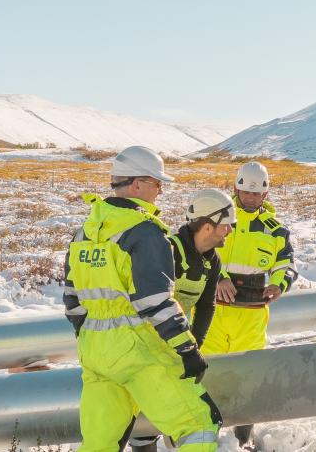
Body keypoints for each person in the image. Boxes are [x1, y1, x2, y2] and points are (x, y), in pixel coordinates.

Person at [62, 145, 221, 452]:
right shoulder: (145, 231)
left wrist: (95, 336)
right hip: (137, 351)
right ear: (136, 184)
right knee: (199, 425)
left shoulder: (85, 232)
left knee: (100, 443)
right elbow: (154, 300)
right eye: (156, 183)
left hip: (94, 352)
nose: (160, 190)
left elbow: (72, 299)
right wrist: (187, 348)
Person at [128, 189, 238, 452]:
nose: (230, 232)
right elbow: (149, 301)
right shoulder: (169, 250)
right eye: (227, 226)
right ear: (208, 226)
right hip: (145, 342)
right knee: (142, 415)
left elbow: (206, 306)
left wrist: (192, 348)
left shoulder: (213, 261)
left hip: (176, 342)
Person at [204, 161, 296, 449]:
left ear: (266, 196)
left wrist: (279, 284)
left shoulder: (276, 230)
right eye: (246, 192)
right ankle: (204, 435)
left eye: (257, 195)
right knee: (207, 374)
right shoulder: (216, 219)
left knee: (248, 376)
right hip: (213, 313)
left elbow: (286, 264)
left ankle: (242, 439)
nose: (251, 199)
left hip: (252, 317)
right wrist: (218, 277)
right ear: (235, 189)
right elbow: (198, 252)